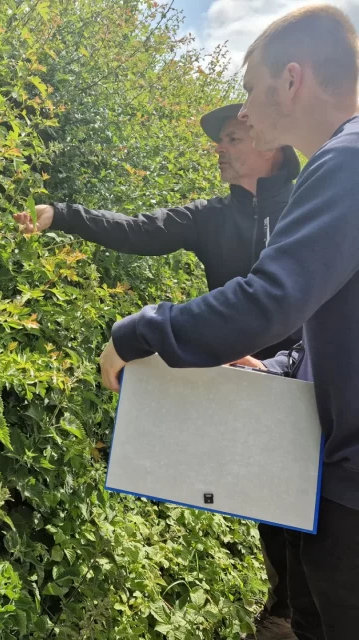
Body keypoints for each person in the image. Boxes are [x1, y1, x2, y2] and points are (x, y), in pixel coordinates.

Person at [98, 6, 359, 639]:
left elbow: (271, 298)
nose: (242, 112)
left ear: (291, 81)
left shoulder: (345, 160)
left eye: (249, 89)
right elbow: (327, 316)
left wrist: (137, 333)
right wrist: (275, 365)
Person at [15, 107, 300, 638]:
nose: (219, 148)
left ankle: (301, 611)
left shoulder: (313, 207)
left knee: (323, 513)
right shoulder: (213, 217)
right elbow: (140, 230)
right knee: (275, 503)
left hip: (314, 380)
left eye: (232, 137)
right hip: (249, 386)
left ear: (272, 144)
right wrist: (63, 213)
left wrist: (285, 363)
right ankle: (283, 610)